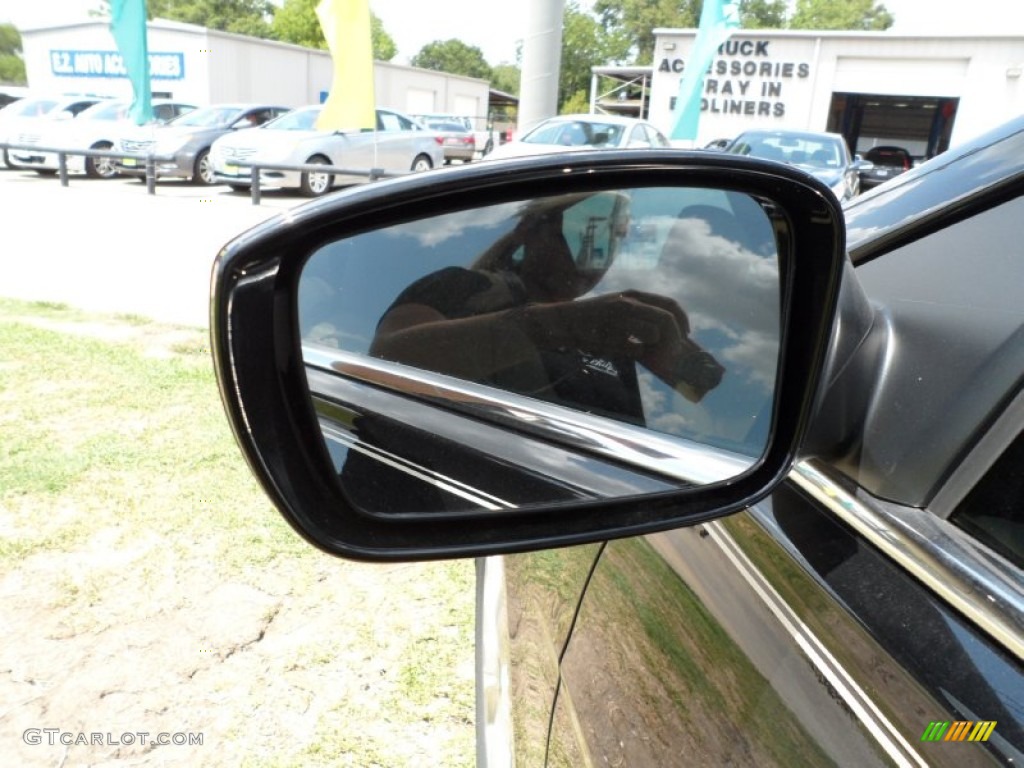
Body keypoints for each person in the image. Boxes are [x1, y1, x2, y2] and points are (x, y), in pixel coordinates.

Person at [368, 191, 724, 426]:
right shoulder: (465, 287)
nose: (596, 253)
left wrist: (681, 375)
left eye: (614, 237)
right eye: (586, 231)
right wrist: (557, 324)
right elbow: (389, 356)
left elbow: (690, 431)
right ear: (528, 230)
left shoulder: (610, 337)